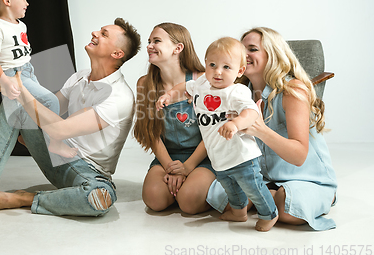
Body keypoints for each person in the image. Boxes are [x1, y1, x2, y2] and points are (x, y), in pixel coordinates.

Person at [0, 18, 141, 216]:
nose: (94, 33)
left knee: (99, 198)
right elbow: (48, 108)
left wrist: (22, 91)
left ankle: (25, 198)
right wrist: (12, 85)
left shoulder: (120, 96)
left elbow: (60, 129)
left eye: (104, 34)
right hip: (57, 155)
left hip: (87, 172)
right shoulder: (79, 77)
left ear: (117, 53)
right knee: (17, 100)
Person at [208, 27, 338, 231]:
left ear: (273, 55)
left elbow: (299, 155)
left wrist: (260, 130)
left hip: (305, 178)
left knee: (286, 209)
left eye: (252, 49)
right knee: (220, 200)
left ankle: (307, 196)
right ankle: (268, 192)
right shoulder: (239, 93)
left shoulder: (293, 90)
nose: (245, 54)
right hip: (264, 177)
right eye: (242, 49)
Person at [157, 37, 278, 231]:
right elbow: (185, 87)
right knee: (230, 187)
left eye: (226, 67)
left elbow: (251, 113)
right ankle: (238, 212)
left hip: (241, 155)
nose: (218, 72)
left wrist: (236, 124)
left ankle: (269, 213)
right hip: (218, 156)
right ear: (205, 65)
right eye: (212, 65)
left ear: (239, 71)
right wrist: (169, 95)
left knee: (253, 188)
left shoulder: (236, 91)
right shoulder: (202, 83)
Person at [0, 0, 74, 158]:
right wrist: (4, 80)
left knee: (31, 108)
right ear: (7, 0)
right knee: (51, 101)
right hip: (14, 75)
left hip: (28, 70)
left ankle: (25, 137)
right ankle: (55, 142)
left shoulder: (21, 26)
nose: (27, 3)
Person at [133, 22, 219, 215]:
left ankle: (202, 187)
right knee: (154, 199)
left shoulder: (204, 80)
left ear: (178, 48)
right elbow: (150, 132)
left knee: (188, 203)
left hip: (203, 157)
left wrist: (188, 167)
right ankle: (178, 187)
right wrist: (170, 168)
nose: (149, 46)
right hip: (168, 158)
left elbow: (213, 131)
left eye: (156, 41)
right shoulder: (144, 84)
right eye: (149, 41)